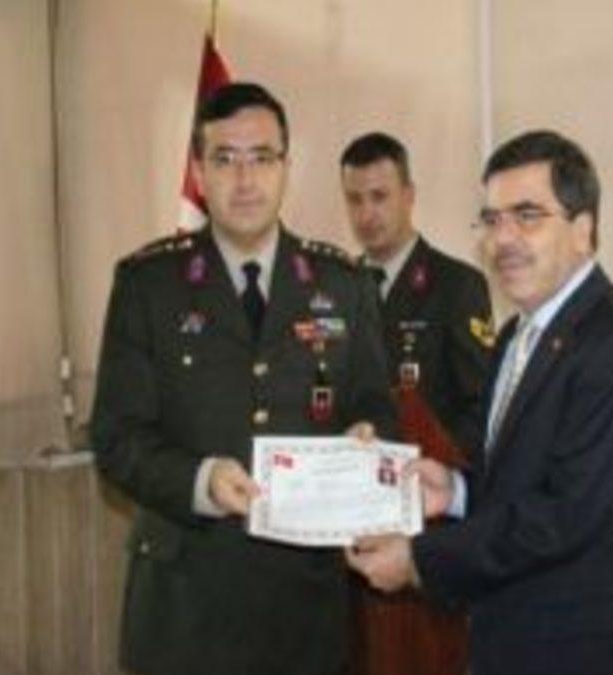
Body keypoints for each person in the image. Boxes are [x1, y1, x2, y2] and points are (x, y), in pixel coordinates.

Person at [345, 130, 613, 675]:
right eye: (492, 219)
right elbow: (516, 481)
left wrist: (419, 560)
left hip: (583, 654)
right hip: (508, 641)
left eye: (527, 216)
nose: (503, 238)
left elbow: (566, 515)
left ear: (583, 230)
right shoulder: (515, 337)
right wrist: (454, 491)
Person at [91, 82, 395, 675]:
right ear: (198, 174)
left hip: (304, 605)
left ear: (286, 168)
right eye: (225, 159)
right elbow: (116, 439)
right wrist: (201, 480)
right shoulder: (148, 285)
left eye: (262, 157)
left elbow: (375, 406)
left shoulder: (342, 283)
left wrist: (367, 438)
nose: (246, 179)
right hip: (184, 605)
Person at [339, 132, 494, 675]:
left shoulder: (456, 285)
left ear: (409, 195)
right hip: (352, 521)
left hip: (425, 524)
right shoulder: (334, 289)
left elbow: (479, 409)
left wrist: (439, 477)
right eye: (355, 199)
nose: (367, 214)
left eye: (380, 196)